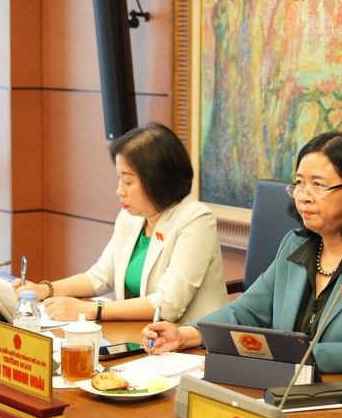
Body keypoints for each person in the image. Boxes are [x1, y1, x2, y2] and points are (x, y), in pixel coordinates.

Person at [143, 131, 342, 387]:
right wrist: (185, 335)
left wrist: (278, 354)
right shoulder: (295, 244)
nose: (303, 197)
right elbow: (245, 311)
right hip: (287, 387)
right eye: (299, 184)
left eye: (318, 185)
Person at [14, 122, 228, 323]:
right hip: (140, 336)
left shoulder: (196, 220)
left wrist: (92, 310)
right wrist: (45, 289)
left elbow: (169, 303)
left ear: (158, 181)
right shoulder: (131, 217)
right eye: (119, 178)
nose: (120, 190)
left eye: (128, 181)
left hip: (192, 346)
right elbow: (100, 277)